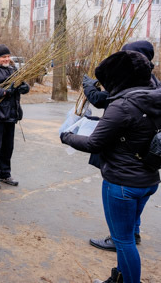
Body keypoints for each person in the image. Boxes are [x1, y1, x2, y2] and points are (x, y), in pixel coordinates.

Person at [61, 50, 161, 283]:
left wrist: (66, 136)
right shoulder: (154, 96)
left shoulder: (122, 105)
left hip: (122, 182)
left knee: (123, 241)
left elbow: (95, 143)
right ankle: (119, 277)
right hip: (148, 179)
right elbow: (132, 129)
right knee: (125, 236)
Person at [83, 40, 160, 251]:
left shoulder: (131, 83)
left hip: (124, 161)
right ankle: (132, 233)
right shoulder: (152, 83)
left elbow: (104, 102)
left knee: (122, 228)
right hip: (145, 165)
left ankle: (121, 238)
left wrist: (89, 90)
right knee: (135, 205)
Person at [0, 44, 29, 189]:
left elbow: (22, 84)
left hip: (12, 114)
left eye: (8, 56)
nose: (7, 59)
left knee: (8, 147)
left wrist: (25, 88)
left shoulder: (13, 69)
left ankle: (4, 173)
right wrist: (5, 92)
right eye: (3, 57)